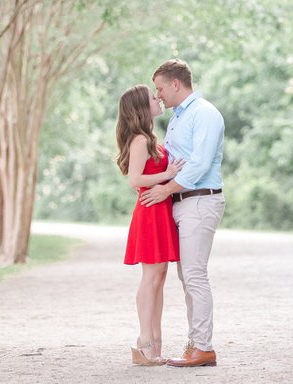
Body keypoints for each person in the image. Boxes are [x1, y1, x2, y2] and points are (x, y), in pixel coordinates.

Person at [140, 59, 225, 368]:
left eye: (160, 88)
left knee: (194, 274)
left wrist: (165, 189)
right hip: (182, 202)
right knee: (186, 275)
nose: (158, 94)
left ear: (176, 84)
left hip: (200, 200)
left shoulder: (204, 114)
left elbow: (200, 164)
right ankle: (196, 343)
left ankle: (203, 347)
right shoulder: (179, 117)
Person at [117, 84, 185, 367]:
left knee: (159, 277)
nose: (158, 99)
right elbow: (134, 179)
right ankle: (145, 342)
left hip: (160, 210)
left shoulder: (150, 138)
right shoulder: (140, 141)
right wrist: (167, 175)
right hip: (150, 212)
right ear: (141, 108)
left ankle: (155, 342)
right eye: (151, 97)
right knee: (151, 277)